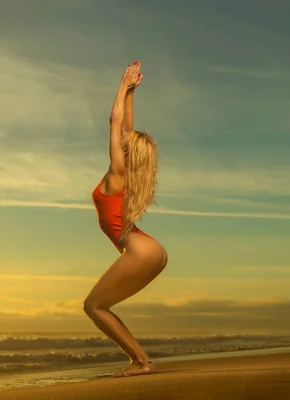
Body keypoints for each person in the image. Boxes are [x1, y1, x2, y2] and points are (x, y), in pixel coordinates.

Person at [84, 61, 168, 378]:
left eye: (123, 142)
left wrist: (121, 83)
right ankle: (139, 360)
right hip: (152, 250)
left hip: (140, 250)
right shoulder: (132, 173)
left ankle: (141, 361)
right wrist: (131, 92)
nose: (119, 138)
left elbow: (115, 120)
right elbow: (125, 123)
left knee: (93, 306)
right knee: (101, 305)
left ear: (126, 153)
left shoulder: (118, 174)